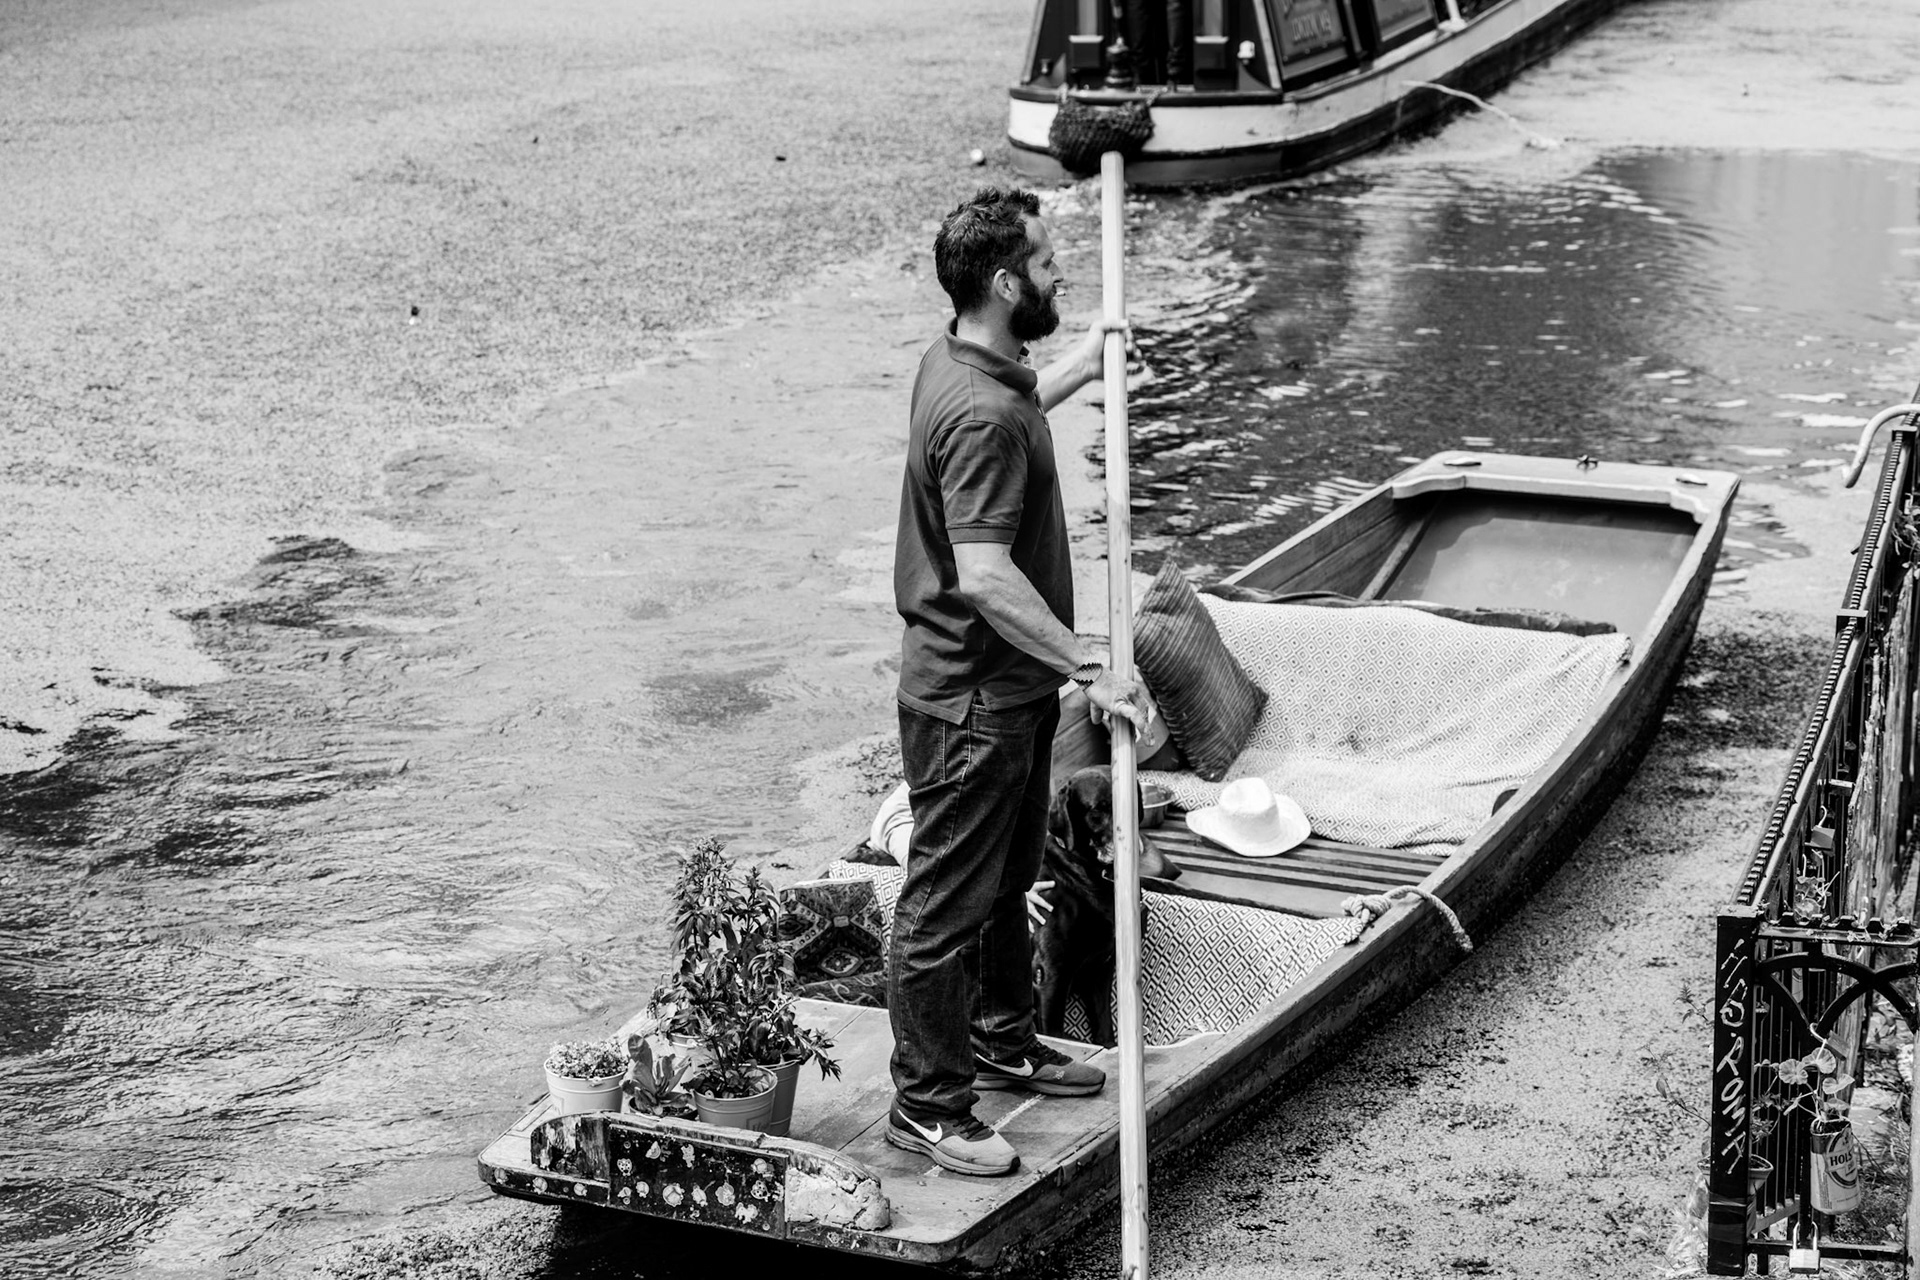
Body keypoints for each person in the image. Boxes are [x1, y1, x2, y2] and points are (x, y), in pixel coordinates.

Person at [886, 186, 1156, 1177]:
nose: (1058, 272)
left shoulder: (968, 362)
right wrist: (1093, 665)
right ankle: (927, 1105)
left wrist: (1085, 360)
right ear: (1005, 283)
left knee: (1007, 882)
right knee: (942, 907)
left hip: (1009, 690)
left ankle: (1002, 1038)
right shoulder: (979, 413)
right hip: (971, 700)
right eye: (1045, 263)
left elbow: (1016, 411)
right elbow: (986, 576)